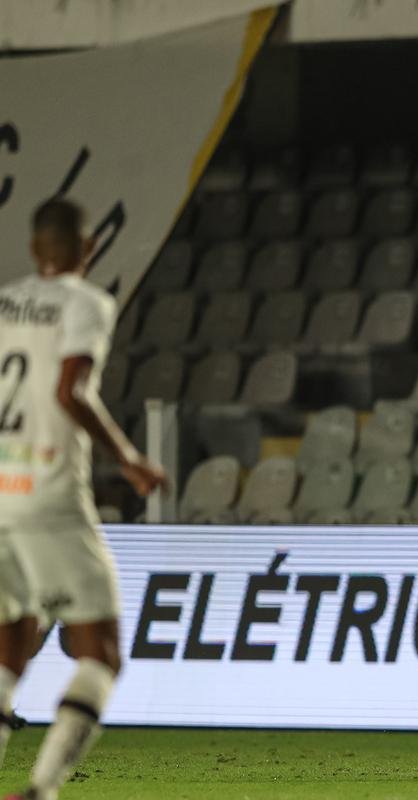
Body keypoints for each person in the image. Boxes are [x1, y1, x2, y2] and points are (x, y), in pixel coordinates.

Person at [0, 198, 165, 800]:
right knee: (102, 652)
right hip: (45, 493)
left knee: (11, 642)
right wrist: (128, 457)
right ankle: (41, 789)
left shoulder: (4, 303)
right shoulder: (86, 303)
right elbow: (71, 391)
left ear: (34, 249)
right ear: (87, 247)